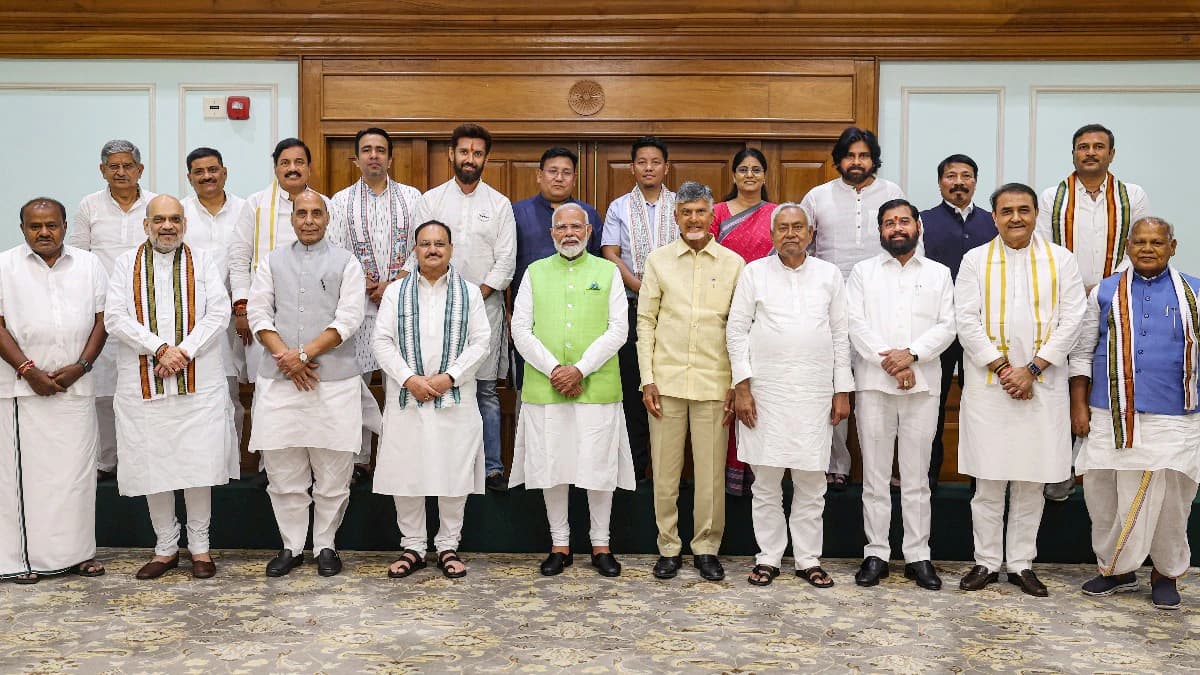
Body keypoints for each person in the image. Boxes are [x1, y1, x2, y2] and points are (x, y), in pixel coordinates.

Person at [954, 183, 1085, 597]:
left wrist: (1031, 369)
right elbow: (966, 320)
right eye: (1006, 211)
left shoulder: (1060, 260)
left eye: (1023, 210)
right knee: (989, 481)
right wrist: (1004, 368)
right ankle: (986, 562)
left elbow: (1072, 320)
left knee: (1031, 481)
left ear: (1035, 215)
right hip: (990, 388)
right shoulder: (975, 259)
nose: (1015, 218)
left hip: (1043, 388)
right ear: (993, 217)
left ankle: (1022, 563)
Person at [1070, 217, 1200, 610]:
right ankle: (1116, 569)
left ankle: (1166, 572)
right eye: (1140, 242)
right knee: (1104, 494)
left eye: (1156, 242)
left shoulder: (1194, 291)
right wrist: (1078, 405)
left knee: (1173, 501)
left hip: (1175, 417)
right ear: (1128, 247)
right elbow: (1081, 351)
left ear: (1172, 247)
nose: (1147, 248)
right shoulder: (1105, 292)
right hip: (1109, 412)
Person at [106, 195, 238, 580]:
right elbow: (115, 316)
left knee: (197, 465)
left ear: (185, 223)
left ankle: (200, 547)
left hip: (199, 382)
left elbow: (220, 311)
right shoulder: (125, 263)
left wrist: (184, 351)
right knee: (153, 465)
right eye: (159, 219)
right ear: (145, 224)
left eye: (175, 219)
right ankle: (165, 547)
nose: (168, 226)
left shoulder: (205, 259)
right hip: (143, 383)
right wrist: (160, 349)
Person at [727, 203, 850, 588]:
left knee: (811, 481)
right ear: (772, 234)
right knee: (765, 481)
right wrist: (742, 387)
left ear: (811, 234)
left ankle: (809, 558)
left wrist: (841, 389)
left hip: (814, 392)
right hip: (766, 392)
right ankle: (768, 557)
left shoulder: (829, 275)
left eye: (799, 227)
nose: (791, 234)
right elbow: (736, 332)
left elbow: (840, 335)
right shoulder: (754, 273)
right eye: (783, 228)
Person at [510, 203, 635, 577]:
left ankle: (601, 544)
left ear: (589, 232)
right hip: (545, 387)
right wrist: (554, 370)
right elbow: (520, 329)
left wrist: (579, 369)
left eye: (576, 226)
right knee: (553, 465)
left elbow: (618, 330)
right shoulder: (534, 273)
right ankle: (559, 544)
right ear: (551, 234)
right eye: (561, 227)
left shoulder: (608, 272)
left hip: (596, 388)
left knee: (598, 466)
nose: (569, 233)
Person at [247, 191, 365, 577]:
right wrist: (288, 356)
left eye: (317, 213)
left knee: (333, 470)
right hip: (280, 381)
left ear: (327, 218)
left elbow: (349, 319)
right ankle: (292, 545)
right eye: (302, 213)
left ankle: (326, 544)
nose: (309, 220)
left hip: (333, 381)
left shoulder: (348, 263)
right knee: (283, 471)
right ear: (292, 218)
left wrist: (303, 355)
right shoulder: (271, 261)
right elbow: (258, 313)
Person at [1037, 123, 1152, 502]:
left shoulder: (1131, 195)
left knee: (1105, 377)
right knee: (1059, 382)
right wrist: (1074, 289)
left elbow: (1137, 246)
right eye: (1083, 147)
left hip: (1114, 299)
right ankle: (1058, 468)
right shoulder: (1052, 196)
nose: (1090, 152)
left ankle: (1099, 466)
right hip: (1061, 303)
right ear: (1073, 153)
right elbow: (1043, 250)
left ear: (1111, 154)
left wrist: (1102, 289)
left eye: (1098, 147)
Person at [638, 181, 744, 582]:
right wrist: (647, 379)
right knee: (665, 473)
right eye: (687, 212)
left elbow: (739, 327)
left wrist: (736, 382)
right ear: (676, 217)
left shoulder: (733, 264)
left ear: (711, 215)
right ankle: (668, 547)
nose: (694, 219)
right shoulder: (658, 261)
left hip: (715, 383)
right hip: (665, 383)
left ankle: (705, 548)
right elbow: (645, 322)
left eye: (701, 211)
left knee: (711, 474)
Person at [846, 199, 955, 590]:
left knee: (916, 476)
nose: (897, 228)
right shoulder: (862, 273)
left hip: (923, 385)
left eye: (903, 221)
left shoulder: (940, 274)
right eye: (889, 222)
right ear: (880, 231)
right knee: (874, 476)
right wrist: (892, 364)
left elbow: (948, 325)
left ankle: (917, 555)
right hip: (875, 385)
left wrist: (912, 356)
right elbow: (855, 325)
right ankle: (875, 552)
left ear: (918, 226)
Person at [371, 220, 489, 580]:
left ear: (451, 249)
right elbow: (382, 342)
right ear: (416, 250)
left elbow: (481, 342)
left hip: (454, 398)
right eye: (425, 244)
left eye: (440, 243)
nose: (433, 249)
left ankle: (448, 545)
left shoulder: (469, 293)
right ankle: (413, 547)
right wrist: (410, 379)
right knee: (408, 472)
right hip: (408, 397)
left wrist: (447, 377)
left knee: (453, 472)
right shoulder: (395, 292)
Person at [0, 198, 108, 583]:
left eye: (51, 225)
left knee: (75, 476)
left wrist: (81, 366)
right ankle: (19, 560)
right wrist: (28, 370)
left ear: (64, 225)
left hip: (75, 389)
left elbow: (102, 320)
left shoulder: (89, 264)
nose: (44, 232)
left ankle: (77, 555)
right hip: (21, 391)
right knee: (23, 478)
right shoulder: (4, 264)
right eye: (35, 226)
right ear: (23, 228)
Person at [800, 126, 905, 489]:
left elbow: (907, 245)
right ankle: (836, 465)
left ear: (873, 158)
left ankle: (886, 469)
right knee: (835, 384)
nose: (856, 162)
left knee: (880, 385)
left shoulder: (892, 192)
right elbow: (803, 247)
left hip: (880, 304)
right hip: (829, 305)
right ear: (839, 160)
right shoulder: (817, 196)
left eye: (863, 155)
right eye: (849, 155)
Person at [329, 127, 426, 483]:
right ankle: (358, 460)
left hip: (402, 306)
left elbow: (422, 245)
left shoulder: (413, 198)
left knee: (399, 383)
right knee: (356, 386)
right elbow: (337, 249)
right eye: (367, 150)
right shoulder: (340, 201)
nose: (374, 156)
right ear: (356, 157)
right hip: (358, 308)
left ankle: (395, 457)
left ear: (390, 157)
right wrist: (364, 283)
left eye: (380, 150)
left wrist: (396, 280)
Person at [423, 123, 516, 492]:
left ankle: (492, 468)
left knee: (485, 391)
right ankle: (443, 468)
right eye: (464, 152)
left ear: (485, 159)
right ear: (452, 154)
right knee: (441, 385)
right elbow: (421, 252)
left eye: (477, 153)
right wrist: (450, 297)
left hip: (485, 306)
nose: (470, 159)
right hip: (436, 307)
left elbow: (506, 262)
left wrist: (474, 295)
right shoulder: (431, 201)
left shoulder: (499, 204)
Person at [69, 139, 158, 479]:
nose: (120, 172)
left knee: (146, 393)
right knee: (104, 392)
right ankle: (108, 462)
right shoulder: (89, 206)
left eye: (127, 166)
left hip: (148, 316)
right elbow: (79, 257)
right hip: (103, 316)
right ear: (102, 170)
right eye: (113, 166)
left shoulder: (156, 204)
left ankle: (145, 461)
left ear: (140, 170)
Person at [229, 138, 333, 401]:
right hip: (266, 315)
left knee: (313, 387)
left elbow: (336, 260)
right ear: (275, 168)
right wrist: (242, 307)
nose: (292, 168)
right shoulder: (255, 204)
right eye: (285, 163)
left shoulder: (326, 205)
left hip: (316, 317)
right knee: (269, 391)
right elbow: (240, 258)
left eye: (299, 162)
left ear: (309, 168)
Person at [920, 154, 996, 489]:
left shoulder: (993, 223)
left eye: (966, 175)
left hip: (981, 330)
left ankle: (981, 475)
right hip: (936, 328)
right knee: (931, 403)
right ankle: (928, 474)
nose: (959, 182)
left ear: (975, 182)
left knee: (980, 403)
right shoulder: (921, 221)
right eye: (951, 176)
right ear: (940, 183)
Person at [602, 136, 676, 481]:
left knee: (671, 385)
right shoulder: (618, 206)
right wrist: (640, 286)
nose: (649, 167)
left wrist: (664, 292)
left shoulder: (681, 204)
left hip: (675, 308)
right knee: (635, 385)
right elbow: (611, 254)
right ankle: (636, 469)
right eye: (642, 161)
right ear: (632, 167)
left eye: (655, 161)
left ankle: (669, 470)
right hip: (632, 305)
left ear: (666, 167)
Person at [710, 147, 777, 497]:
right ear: (733, 176)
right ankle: (729, 478)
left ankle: (762, 477)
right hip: (724, 310)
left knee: (761, 392)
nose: (749, 175)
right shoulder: (717, 213)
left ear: (765, 176)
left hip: (767, 313)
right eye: (743, 169)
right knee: (730, 389)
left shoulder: (777, 215)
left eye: (756, 169)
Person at [510, 147, 603, 391]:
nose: (559, 178)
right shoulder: (517, 214)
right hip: (532, 321)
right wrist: (510, 311)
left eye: (566, 173)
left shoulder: (588, 215)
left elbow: (599, 268)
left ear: (574, 178)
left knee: (583, 386)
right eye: (553, 171)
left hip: (584, 320)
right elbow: (507, 266)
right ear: (539, 175)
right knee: (534, 389)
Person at [181, 147, 249, 444]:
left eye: (212, 169)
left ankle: (233, 463)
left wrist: (243, 308)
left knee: (233, 388)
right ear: (189, 177)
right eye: (199, 172)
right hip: (192, 319)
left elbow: (248, 261)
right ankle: (201, 457)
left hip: (237, 317)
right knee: (197, 391)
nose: (207, 176)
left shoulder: (246, 210)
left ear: (225, 172)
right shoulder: (179, 213)